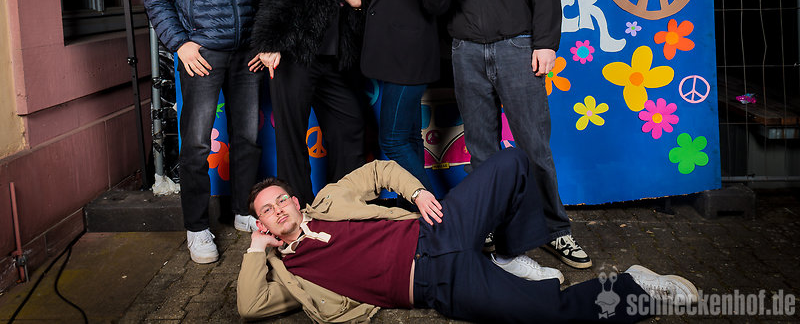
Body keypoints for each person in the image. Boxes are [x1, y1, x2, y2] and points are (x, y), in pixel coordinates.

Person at [236, 147, 698, 323]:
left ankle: (509, 255)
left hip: (437, 228)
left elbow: (378, 170)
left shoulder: (329, 201)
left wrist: (418, 193)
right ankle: (638, 288)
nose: (278, 210)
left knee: (512, 163)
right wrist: (257, 250)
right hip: (439, 285)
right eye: (267, 212)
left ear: (295, 200)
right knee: (548, 314)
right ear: (263, 225)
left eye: (281, 200)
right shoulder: (291, 275)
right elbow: (249, 307)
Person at [430, 0, 591, 268]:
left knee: (534, 146)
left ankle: (555, 230)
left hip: (518, 47)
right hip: (466, 52)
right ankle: (492, 228)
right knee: (481, 150)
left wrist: (546, 43)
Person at [143, 0, 267, 264]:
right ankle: (197, 228)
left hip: (247, 54)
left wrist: (263, 38)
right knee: (196, 145)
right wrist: (180, 42)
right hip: (202, 54)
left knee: (248, 138)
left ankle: (243, 211)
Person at [251, 0, 369, 209]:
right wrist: (271, 42)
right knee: (291, 140)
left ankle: (341, 206)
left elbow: (354, 13)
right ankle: (299, 215)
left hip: (330, 60)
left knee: (350, 125)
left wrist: (357, 5)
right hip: (295, 57)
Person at [360, 0, 454, 194]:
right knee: (410, 138)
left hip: (408, 62)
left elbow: (437, 4)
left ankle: (438, 212)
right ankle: (416, 212)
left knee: (392, 140)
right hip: (393, 59)